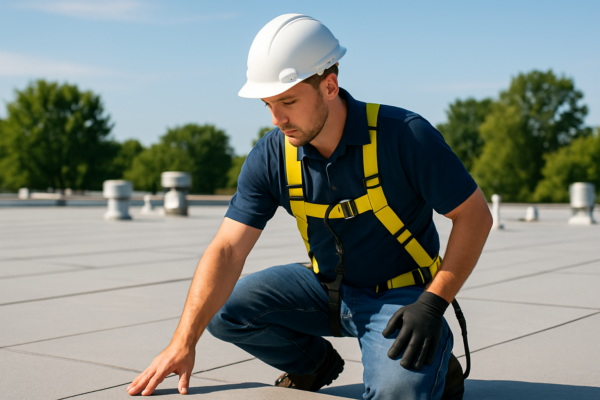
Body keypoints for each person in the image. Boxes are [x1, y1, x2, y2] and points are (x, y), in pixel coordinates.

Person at [126, 14, 492, 400]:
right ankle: (314, 364)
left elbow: (474, 216)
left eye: (288, 101)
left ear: (329, 86)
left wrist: (433, 305)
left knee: (396, 392)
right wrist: (183, 341)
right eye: (268, 104)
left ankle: (433, 360)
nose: (277, 119)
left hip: (400, 299)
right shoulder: (272, 156)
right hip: (326, 289)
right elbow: (228, 249)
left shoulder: (404, 136)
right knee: (218, 309)